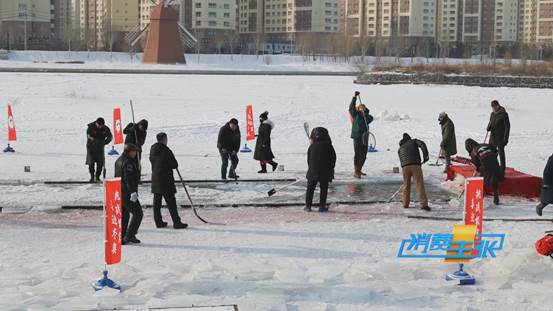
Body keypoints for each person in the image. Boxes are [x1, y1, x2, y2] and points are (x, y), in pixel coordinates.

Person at [149, 132, 188, 229]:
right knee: (171, 203)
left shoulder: (153, 149)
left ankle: (158, 222)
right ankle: (177, 222)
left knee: (157, 203)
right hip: (166, 180)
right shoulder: (166, 150)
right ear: (164, 139)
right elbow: (174, 164)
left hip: (155, 178)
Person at [115, 143, 143, 245]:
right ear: (129, 151)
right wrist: (132, 192)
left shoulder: (119, 160)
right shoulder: (128, 162)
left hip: (119, 192)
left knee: (125, 215)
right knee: (138, 213)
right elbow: (128, 178)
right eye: (134, 151)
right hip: (127, 192)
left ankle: (123, 235)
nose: (135, 153)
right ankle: (129, 235)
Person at [305, 127, 336, 213]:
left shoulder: (312, 146)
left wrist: (311, 168)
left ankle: (308, 206)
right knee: (324, 189)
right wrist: (331, 168)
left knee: (310, 189)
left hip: (313, 171)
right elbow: (333, 159)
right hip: (325, 172)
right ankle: (322, 206)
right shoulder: (329, 145)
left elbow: (309, 159)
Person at [398, 133, 431, 211]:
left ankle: (405, 203)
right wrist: (425, 156)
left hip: (405, 167)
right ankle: (423, 204)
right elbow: (422, 144)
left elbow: (401, 159)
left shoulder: (400, 148)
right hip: (415, 165)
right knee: (419, 184)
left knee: (406, 185)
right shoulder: (414, 141)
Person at [465, 138, 502, 205]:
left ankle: (478, 200)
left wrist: (478, 170)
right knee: (494, 179)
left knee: (483, 182)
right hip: (495, 163)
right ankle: (496, 199)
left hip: (485, 165)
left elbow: (477, 165)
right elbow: (496, 150)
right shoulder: (485, 144)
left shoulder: (474, 152)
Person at [349, 91, 373, 178]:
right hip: (357, 137)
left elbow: (370, 118)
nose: (361, 109)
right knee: (357, 154)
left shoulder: (367, 117)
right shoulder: (355, 115)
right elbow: (351, 107)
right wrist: (354, 97)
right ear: (358, 109)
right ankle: (356, 171)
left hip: (365, 137)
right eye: (360, 108)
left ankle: (359, 169)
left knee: (364, 154)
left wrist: (365, 114)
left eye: (363, 108)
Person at [86, 117, 113, 182]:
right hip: (91, 147)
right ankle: (92, 177)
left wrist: (105, 142)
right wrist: (96, 141)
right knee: (91, 162)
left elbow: (110, 136)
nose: (100, 127)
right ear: (96, 123)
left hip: (100, 148)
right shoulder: (91, 127)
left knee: (100, 163)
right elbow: (89, 136)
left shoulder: (105, 128)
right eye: (99, 125)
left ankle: (97, 177)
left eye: (102, 126)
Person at [486, 100, 510, 173]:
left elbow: (507, 127)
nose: (493, 109)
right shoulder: (492, 114)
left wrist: (505, 138)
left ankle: (502, 169)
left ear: (497, 106)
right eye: (492, 107)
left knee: (501, 153)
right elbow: (490, 122)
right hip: (492, 137)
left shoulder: (504, 114)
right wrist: (488, 127)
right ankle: (492, 166)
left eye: (494, 107)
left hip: (500, 137)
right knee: (491, 152)